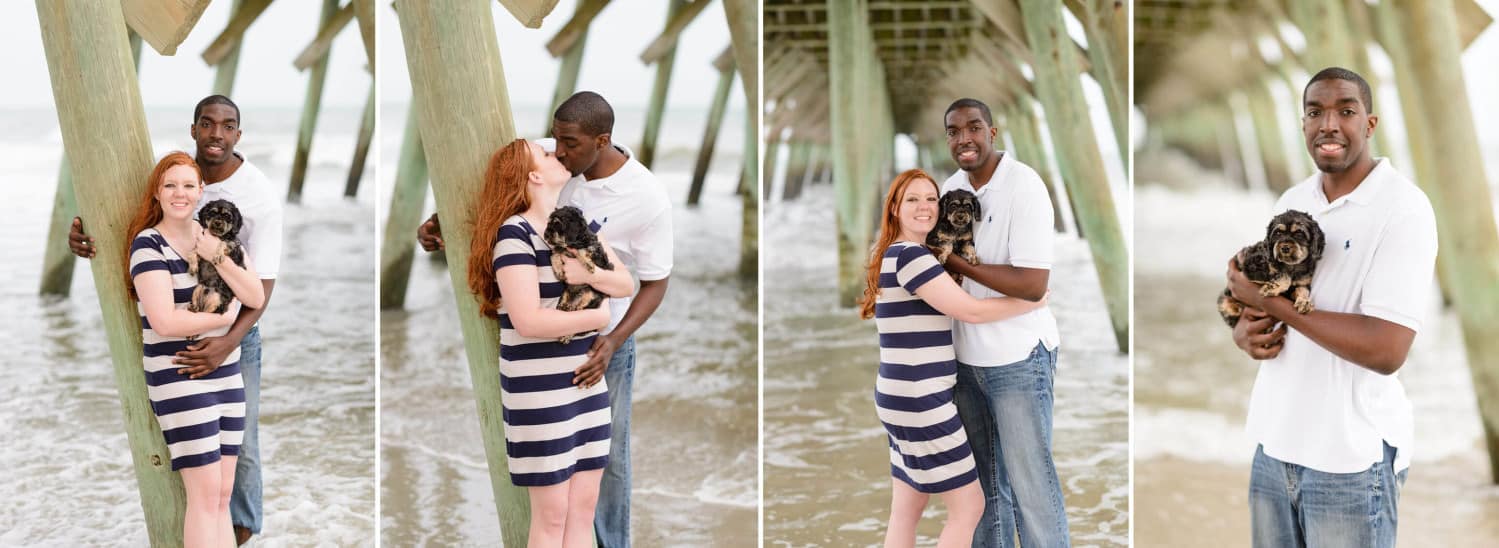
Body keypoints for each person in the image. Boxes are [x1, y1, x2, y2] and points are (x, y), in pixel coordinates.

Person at [418, 91, 672, 547]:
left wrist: (610, 336)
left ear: (602, 140)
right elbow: (504, 189)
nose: (559, 150)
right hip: (543, 355)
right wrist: (445, 224)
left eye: (569, 144)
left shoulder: (645, 196)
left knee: (604, 467)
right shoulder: (551, 161)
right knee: (554, 505)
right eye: (554, 141)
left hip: (603, 345)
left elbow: (650, 282)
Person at [1227, 67, 1436, 548]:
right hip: (1273, 445)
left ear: (1370, 124)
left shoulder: (1404, 208)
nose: (1329, 124)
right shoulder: (1293, 199)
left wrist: (1271, 305)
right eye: (1315, 112)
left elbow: (1387, 350)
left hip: (1349, 458)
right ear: (1301, 124)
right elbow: (1265, 292)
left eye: (1346, 110)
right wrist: (1245, 327)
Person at [72, 95, 283, 545]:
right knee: (205, 493)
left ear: (238, 136)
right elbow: (125, 225)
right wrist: (84, 233)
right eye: (207, 125)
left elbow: (259, 289)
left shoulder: (256, 198)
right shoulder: (166, 208)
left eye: (227, 127)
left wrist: (227, 336)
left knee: (235, 466)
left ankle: (239, 537)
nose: (216, 135)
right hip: (181, 355)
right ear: (193, 130)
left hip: (235, 342)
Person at [859, 169, 1048, 548]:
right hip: (921, 400)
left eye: (931, 199)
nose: (925, 207)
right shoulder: (913, 257)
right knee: (969, 506)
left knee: (905, 509)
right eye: (912, 200)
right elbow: (971, 311)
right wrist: (1030, 301)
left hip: (896, 397)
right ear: (894, 208)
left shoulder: (890, 255)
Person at [467, 138, 635, 546]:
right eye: (543, 153)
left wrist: (588, 275)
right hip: (539, 392)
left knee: (582, 509)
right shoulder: (514, 236)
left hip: (585, 388)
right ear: (533, 176)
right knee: (552, 516)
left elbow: (625, 282)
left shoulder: (573, 223)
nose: (555, 152)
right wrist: (596, 317)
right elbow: (527, 321)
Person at [937, 98, 1070, 548]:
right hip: (963, 361)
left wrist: (957, 260)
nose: (964, 139)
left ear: (993, 132)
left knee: (1033, 491)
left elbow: (1033, 285)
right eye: (954, 132)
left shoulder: (1024, 186)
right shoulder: (949, 188)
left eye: (974, 127)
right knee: (982, 495)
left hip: (1018, 359)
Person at [126, 151, 266, 546]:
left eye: (188, 185)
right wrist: (221, 319)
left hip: (227, 377)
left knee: (222, 496)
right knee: (203, 498)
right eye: (170, 185)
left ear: (201, 191)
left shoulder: (214, 239)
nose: (179, 193)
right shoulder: (148, 245)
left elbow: (254, 294)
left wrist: (216, 254)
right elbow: (164, 322)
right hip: (180, 375)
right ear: (157, 191)